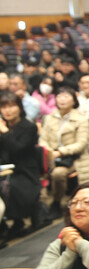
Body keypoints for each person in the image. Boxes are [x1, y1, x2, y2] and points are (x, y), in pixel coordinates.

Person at [39, 86, 89, 208]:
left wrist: (60, 152)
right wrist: (48, 150)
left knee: (58, 174)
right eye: (59, 96)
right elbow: (43, 139)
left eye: (66, 96)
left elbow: (81, 144)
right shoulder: (49, 118)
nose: (62, 99)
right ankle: (39, 205)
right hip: (51, 157)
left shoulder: (81, 119)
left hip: (75, 157)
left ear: (74, 100)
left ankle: (57, 201)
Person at [0, 90, 41, 236]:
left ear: (19, 107)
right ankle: (3, 224)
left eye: (11, 106)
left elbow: (17, 149)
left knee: (6, 185)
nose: (7, 110)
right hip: (5, 170)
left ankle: (16, 221)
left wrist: (4, 132)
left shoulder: (28, 126)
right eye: (4, 107)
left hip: (24, 172)